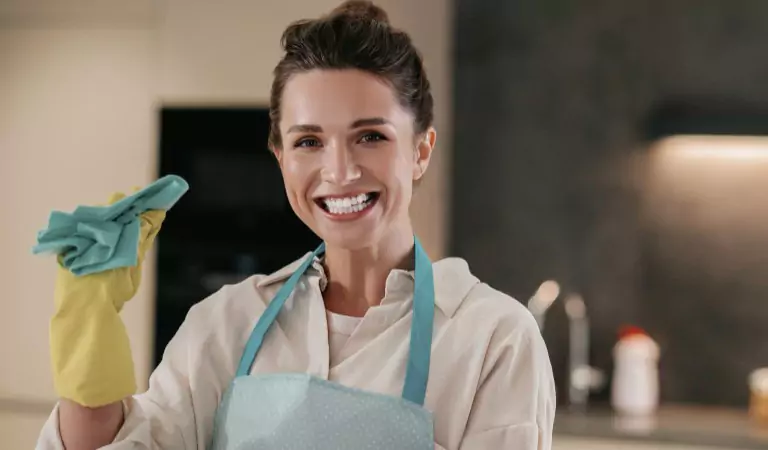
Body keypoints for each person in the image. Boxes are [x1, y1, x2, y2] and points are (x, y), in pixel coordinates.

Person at [37, 1, 555, 449]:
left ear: (421, 150)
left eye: (370, 136)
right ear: (280, 157)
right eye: (309, 142)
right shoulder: (225, 325)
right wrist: (89, 350)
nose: (340, 171)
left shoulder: (492, 338)